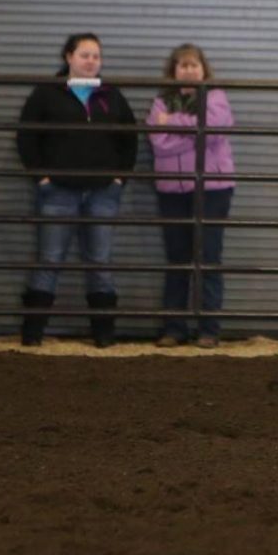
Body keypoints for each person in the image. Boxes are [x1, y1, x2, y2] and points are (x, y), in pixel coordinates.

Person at [16, 33, 138, 348]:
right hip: (58, 190)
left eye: (96, 56)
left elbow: (130, 138)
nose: (91, 61)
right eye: (85, 55)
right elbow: (26, 135)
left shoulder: (111, 95)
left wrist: (119, 178)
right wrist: (41, 175)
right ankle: (32, 335)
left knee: (100, 261)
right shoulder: (46, 94)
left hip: (102, 192)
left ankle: (104, 337)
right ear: (68, 57)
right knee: (50, 259)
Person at [147, 44, 236, 348]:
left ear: (203, 69)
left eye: (193, 65)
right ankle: (174, 328)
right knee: (178, 259)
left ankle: (208, 329)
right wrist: (194, 135)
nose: (188, 70)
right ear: (173, 70)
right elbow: (159, 144)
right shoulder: (160, 101)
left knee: (209, 258)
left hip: (212, 189)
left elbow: (213, 130)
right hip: (173, 189)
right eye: (182, 65)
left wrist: (172, 124)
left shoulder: (216, 97)